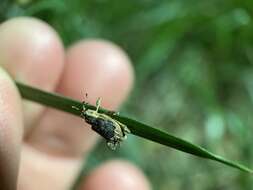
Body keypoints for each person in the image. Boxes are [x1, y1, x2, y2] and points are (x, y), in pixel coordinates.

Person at [0, 17, 150, 190]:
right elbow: (102, 117)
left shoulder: (97, 122)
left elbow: (102, 117)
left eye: (88, 112)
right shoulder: (97, 121)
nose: (88, 112)